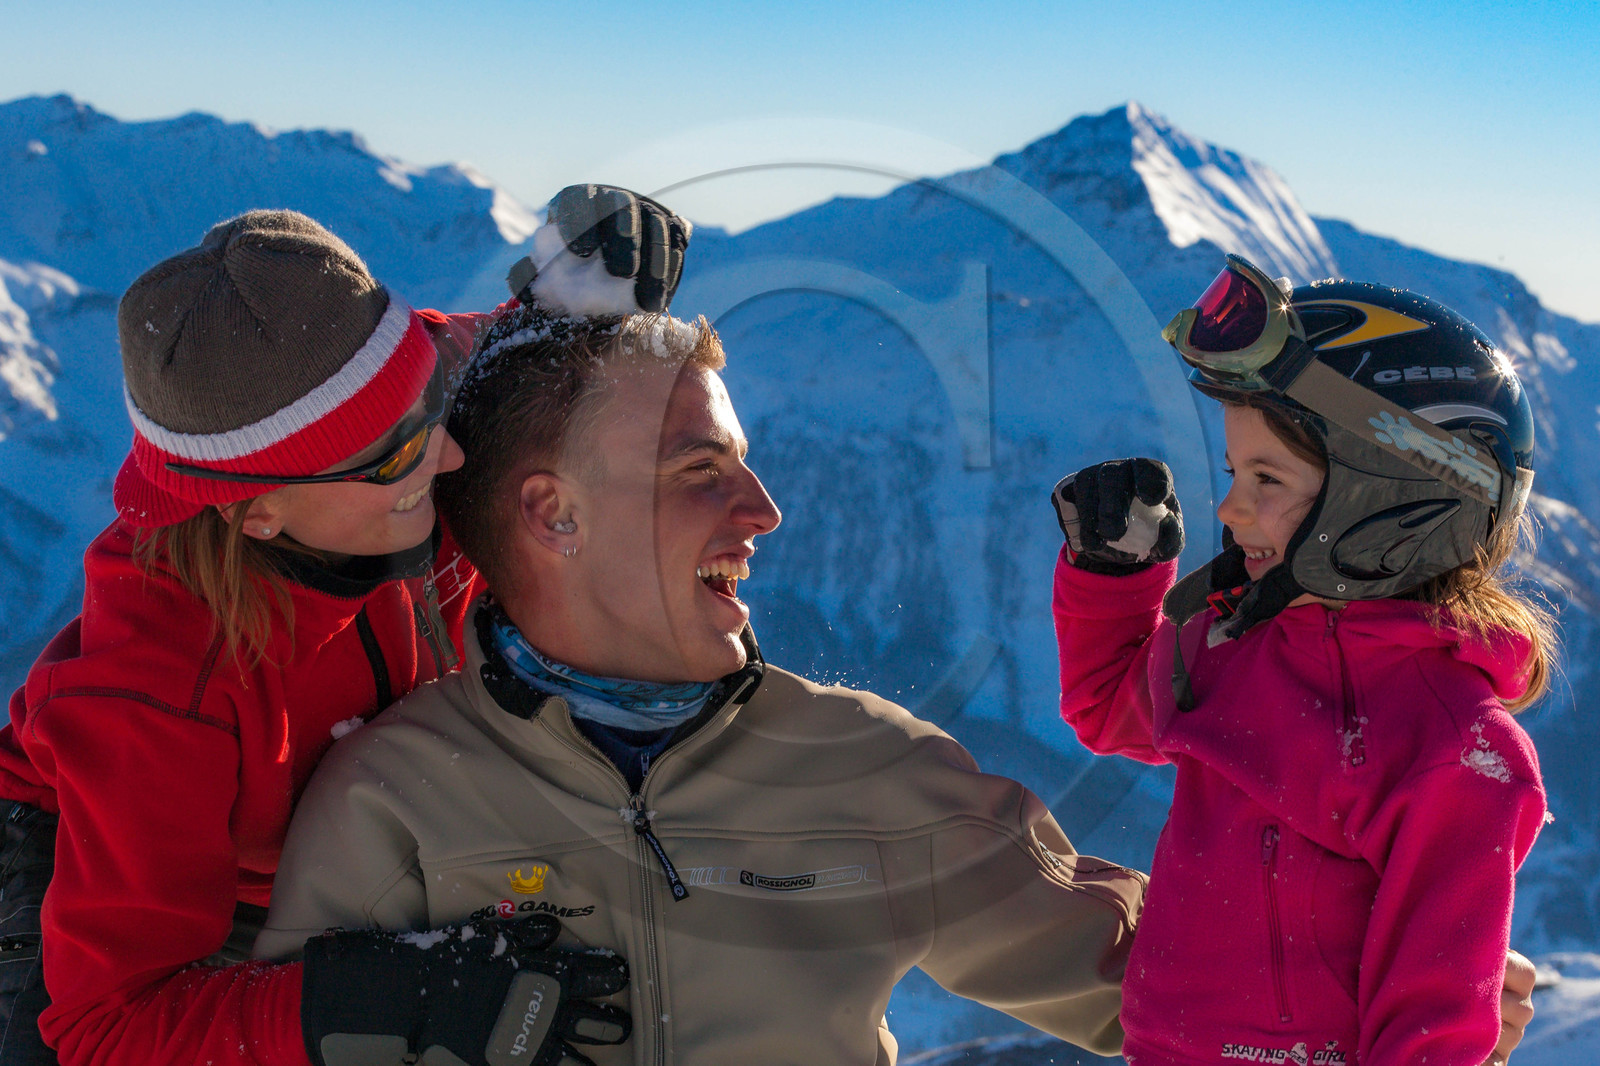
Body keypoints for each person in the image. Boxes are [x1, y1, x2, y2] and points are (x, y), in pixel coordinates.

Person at [253, 299, 1148, 1064]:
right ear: (555, 513)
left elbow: (1174, 993)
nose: (764, 510)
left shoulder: (869, 766)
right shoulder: (391, 801)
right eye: (699, 470)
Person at [0, 188, 687, 1066]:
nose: (452, 454)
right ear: (257, 513)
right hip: (103, 866)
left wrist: (586, 285)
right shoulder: (163, 690)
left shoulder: (381, 412)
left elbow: (476, 353)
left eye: (432, 405)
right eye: (400, 455)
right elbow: (110, 1024)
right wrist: (389, 993)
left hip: (343, 808)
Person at [1050, 255, 1551, 1065]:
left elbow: (1434, 1022)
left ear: (1389, 501)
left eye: (1266, 477)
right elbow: (1108, 711)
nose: (1228, 507)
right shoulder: (1234, 645)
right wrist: (1117, 578)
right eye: (1233, 472)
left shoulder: (1457, 749)